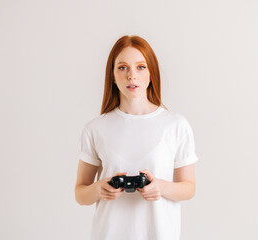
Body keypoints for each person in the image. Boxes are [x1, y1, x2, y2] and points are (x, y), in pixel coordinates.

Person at [74, 35, 199, 240]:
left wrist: (160, 187)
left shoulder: (176, 125)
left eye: (141, 67)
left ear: (152, 73)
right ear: (112, 75)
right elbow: (80, 193)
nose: (132, 76)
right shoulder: (95, 129)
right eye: (123, 67)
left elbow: (189, 188)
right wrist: (100, 189)